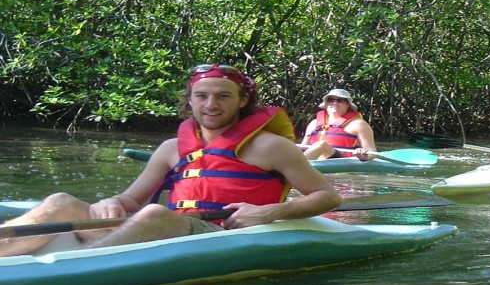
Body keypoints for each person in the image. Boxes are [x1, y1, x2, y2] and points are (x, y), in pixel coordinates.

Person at [0, 64, 341, 257]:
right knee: (61, 202)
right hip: (166, 228)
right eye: (202, 96)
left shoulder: (271, 146)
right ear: (190, 100)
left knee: (155, 213)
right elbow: (131, 199)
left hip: (219, 234)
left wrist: (273, 211)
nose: (211, 104)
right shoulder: (170, 147)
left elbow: (328, 196)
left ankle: (74, 264)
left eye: (224, 96)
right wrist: (112, 201)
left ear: (242, 101)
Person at [300, 88, 377, 161]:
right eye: (331, 100)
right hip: (314, 160)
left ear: (347, 105)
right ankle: (296, 165)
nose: (335, 103)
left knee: (321, 145)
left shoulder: (359, 124)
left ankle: (296, 166)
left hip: (343, 160)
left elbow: (372, 153)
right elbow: (303, 147)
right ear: (326, 103)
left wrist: (364, 156)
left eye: (340, 100)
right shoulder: (314, 123)